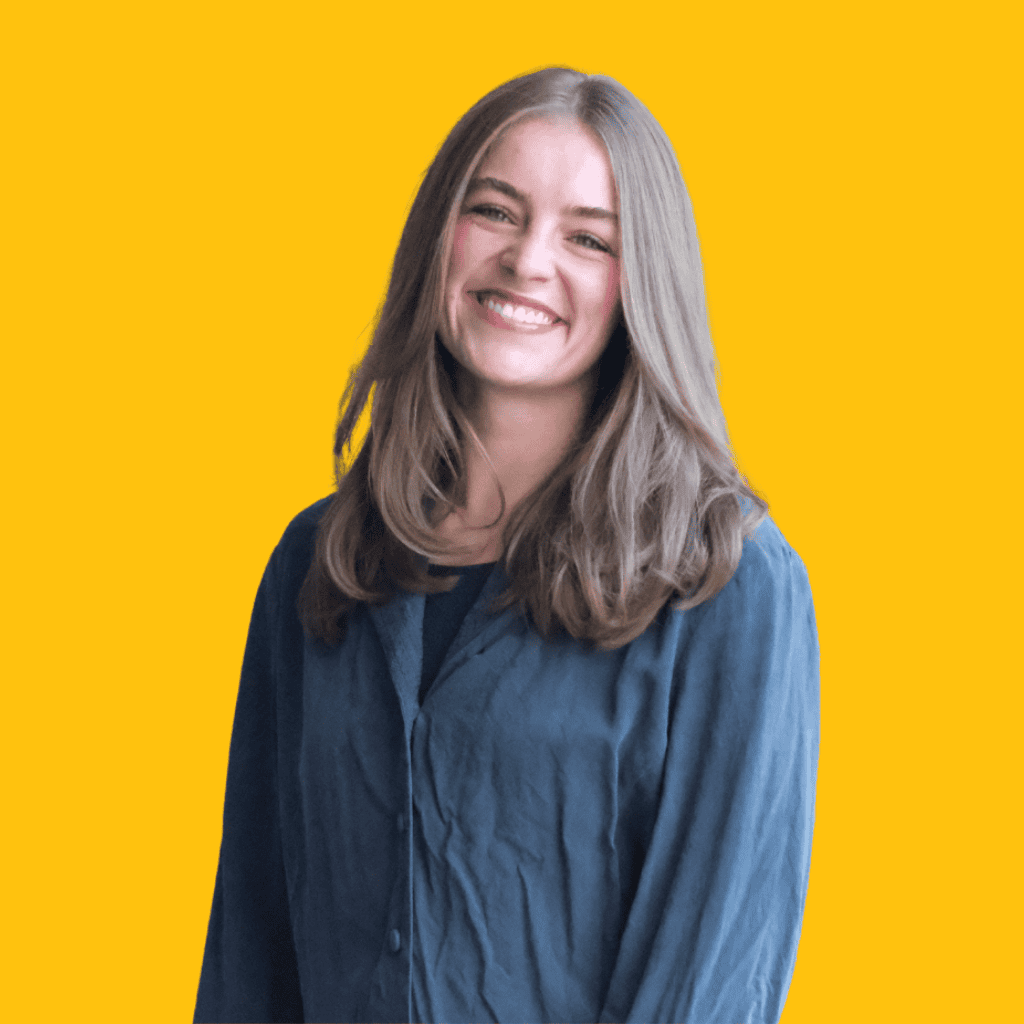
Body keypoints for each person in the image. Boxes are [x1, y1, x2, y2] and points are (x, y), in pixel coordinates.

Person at [194, 67, 819, 1024]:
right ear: (437, 236)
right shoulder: (321, 561)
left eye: (588, 238)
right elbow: (250, 947)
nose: (527, 261)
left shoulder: (724, 584)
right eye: (494, 210)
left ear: (641, 283)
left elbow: (709, 980)